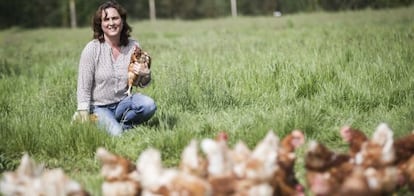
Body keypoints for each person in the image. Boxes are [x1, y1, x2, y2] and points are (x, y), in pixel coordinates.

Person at [74, 0, 156, 136]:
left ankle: (114, 125)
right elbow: (83, 87)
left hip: (123, 103)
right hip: (98, 107)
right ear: (100, 24)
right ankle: (97, 121)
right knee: (117, 134)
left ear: (122, 21)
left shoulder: (133, 46)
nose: (111, 23)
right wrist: (82, 112)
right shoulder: (92, 49)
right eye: (106, 19)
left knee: (149, 105)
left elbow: (140, 83)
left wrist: (146, 73)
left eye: (115, 18)